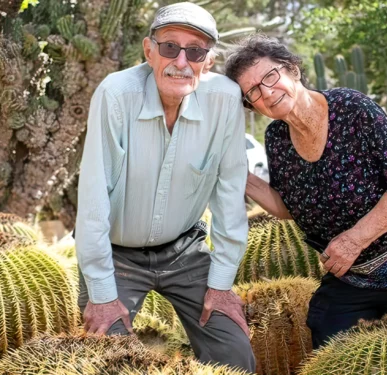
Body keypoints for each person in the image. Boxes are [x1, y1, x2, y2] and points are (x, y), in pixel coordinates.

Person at [224, 35, 387, 349]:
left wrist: (354, 240)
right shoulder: (277, 138)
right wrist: (236, 173)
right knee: (330, 345)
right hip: (356, 275)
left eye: (270, 76)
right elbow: (285, 206)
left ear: (292, 70)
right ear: (251, 104)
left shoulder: (351, 109)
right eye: (252, 91)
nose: (266, 92)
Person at [74, 3, 254, 371]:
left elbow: (229, 196)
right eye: (170, 47)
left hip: (185, 251)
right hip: (117, 256)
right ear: (149, 50)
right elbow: (93, 203)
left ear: (209, 60)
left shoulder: (224, 99)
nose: (181, 61)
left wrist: (220, 285)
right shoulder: (116, 95)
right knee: (112, 359)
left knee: (234, 355)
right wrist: (103, 296)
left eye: (196, 51)